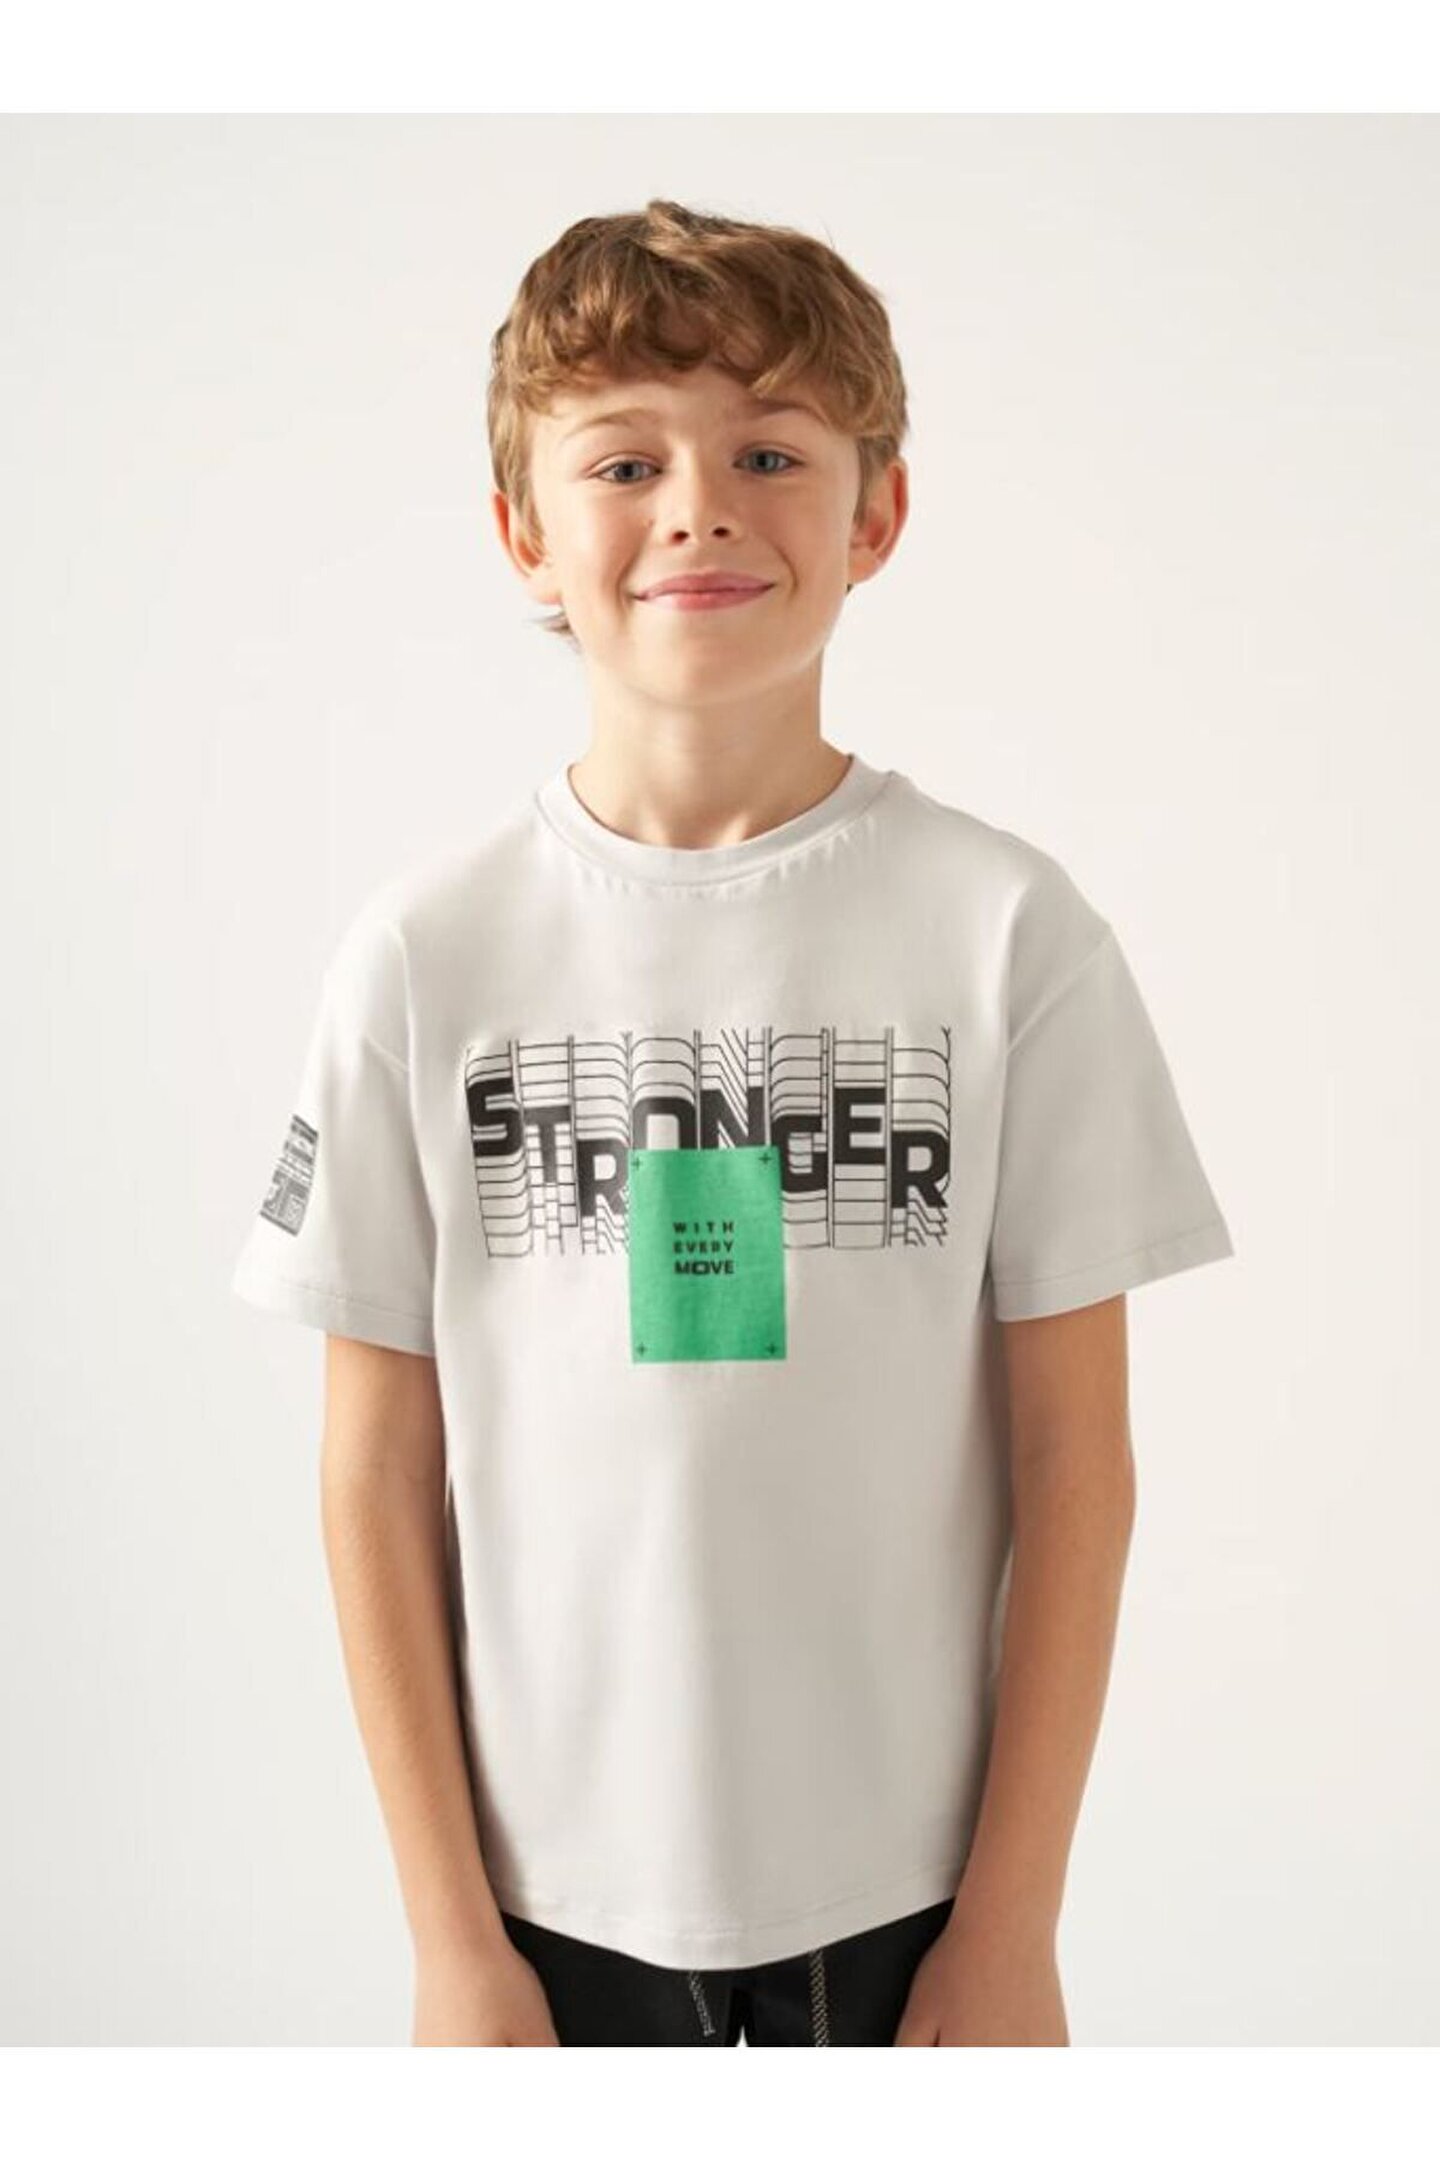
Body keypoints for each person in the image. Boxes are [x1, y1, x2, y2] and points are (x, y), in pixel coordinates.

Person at [232, 198, 1235, 2046]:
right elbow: (372, 1473)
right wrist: (451, 1940)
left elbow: (1077, 1465)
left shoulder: (1008, 935)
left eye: (769, 454)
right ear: (526, 532)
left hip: (911, 1897)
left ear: (877, 514)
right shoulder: (427, 956)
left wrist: (1011, 1923)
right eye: (627, 462)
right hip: (544, 1907)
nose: (699, 509)